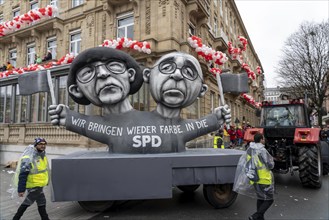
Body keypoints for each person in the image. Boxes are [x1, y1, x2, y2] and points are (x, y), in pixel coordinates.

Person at [49, 49, 231, 153]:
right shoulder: (108, 127)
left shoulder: (175, 126)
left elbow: (186, 128)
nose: (103, 74)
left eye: (113, 66)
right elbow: (100, 127)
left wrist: (215, 120)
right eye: (88, 73)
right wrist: (69, 118)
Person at [234, 132, 274, 220]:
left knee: (260, 198)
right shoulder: (262, 150)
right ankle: (255, 216)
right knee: (269, 200)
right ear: (260, 140)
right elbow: (270, 165)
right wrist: (272, 162)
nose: (264, 140)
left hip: (254, 178)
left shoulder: (249, 149)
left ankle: (260, 218)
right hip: (264, 178)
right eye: (263, 138)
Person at [12, 137, 50, 220]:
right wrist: (21, 189)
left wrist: (46, 181)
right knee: (27, 203)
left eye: (44, 144)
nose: (43, 146)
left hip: (39, 185)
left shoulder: (42, 155)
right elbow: (23, 174)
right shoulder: (28, 157)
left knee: (41, 203)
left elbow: (44, 170)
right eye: (40, 144)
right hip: (33, 186)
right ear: (35, 145)